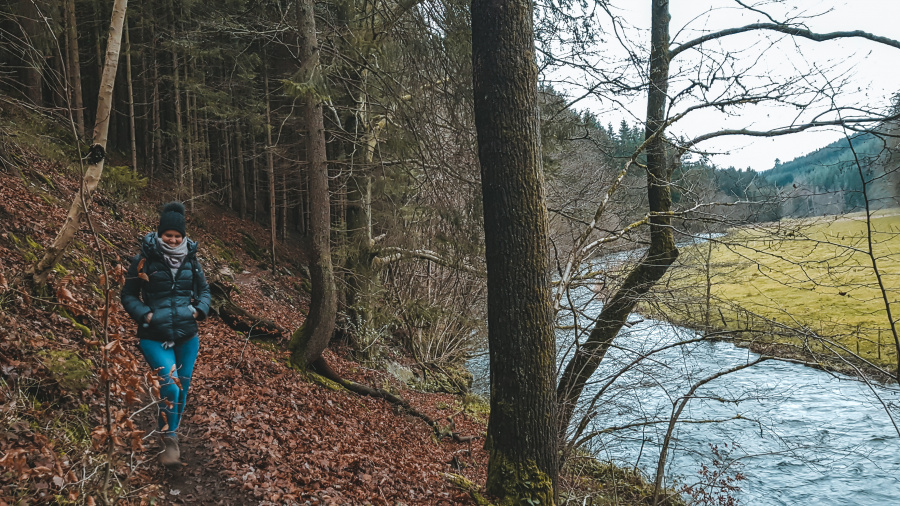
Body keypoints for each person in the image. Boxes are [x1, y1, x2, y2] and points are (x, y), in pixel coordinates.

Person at [121, 201, 211, 471]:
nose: (172, 239)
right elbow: (127, 294)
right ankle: (168, 438)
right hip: (154, 335)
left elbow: (206, 291)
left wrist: (198, 311)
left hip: (187, 334)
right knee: (170, 386)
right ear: (160, 234)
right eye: (168, 234)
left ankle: (171, 428)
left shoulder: (192, 261)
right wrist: (145, 315)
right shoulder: (144, 260)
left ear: (183, 237)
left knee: (183, 386)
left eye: (177, 235)